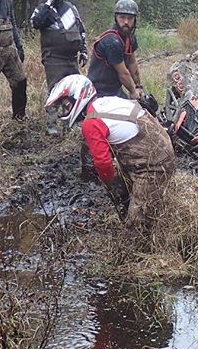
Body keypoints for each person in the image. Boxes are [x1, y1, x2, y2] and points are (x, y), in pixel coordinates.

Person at [46, 74, 175, 232]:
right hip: (157, 148)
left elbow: (102, 163)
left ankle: (144, 249)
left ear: (78, 97)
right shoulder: (105, 102)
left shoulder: (91, 123)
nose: (64, 110)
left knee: (137, 226)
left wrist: (113, 186)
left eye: (66, 105)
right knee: (128, 188)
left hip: (154, 164)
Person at [30, 0, 88, 136]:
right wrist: (49, 5)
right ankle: (51, 125)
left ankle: (73, 121)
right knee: (55, 90)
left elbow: (81, 29)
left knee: (75, 89)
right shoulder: (42, 9)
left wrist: (83, 51)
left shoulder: (71, 8)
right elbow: (35, 23)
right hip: (53, 58)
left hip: (71, 58)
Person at [87, 0, 144, 100]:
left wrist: (138, 86)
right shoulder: (111, 42)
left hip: (115, 90)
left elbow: (132, 63)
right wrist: (133, 92)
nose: (126, 22)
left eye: (130, 18)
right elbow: (123, 73)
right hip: (99, 92)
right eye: (122, 17)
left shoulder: (130, 37)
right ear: (116, 18)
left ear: (135, 19)